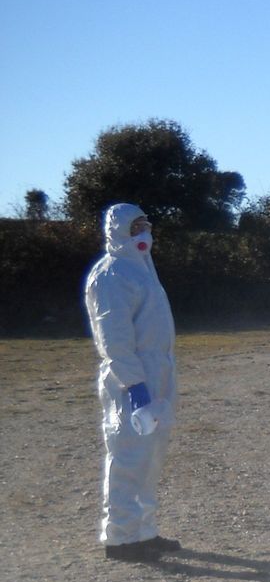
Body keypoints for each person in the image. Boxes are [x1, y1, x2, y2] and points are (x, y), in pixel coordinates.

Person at [83, 203, 181, 561]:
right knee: (128, 456)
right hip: (131, 380)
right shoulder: (111, 274)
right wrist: (134, 386)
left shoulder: (142, 270)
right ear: (119, 229)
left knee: (151, 457)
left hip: (157, 374)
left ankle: (144, 531)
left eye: (146, 225)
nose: (143, 233)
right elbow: (114, 339)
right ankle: (121, 538)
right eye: (135, 226)